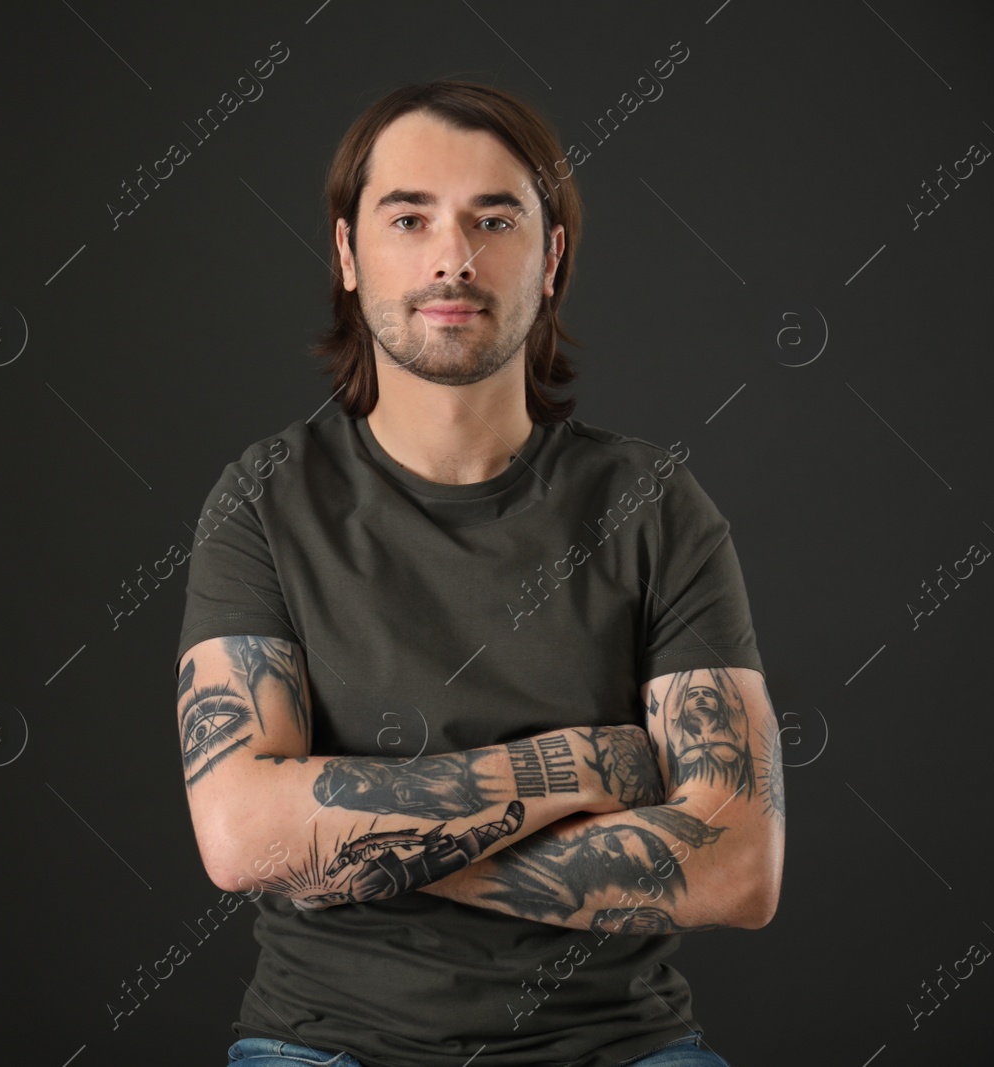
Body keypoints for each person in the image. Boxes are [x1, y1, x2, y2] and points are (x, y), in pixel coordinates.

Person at [173, 80, 784, 1067]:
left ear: (548, 260)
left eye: (492, 219)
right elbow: (246, 838)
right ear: (346, 253)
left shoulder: (653, 503)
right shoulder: (263, 500)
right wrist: (585, 768)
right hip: (330, 1046)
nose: (451, 256)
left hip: (618, 1047)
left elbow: (738, 864)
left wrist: (354, 849)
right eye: (408, 217)